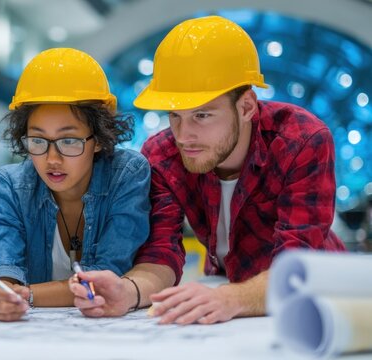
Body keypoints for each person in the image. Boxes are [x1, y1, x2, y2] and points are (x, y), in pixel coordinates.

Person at [69, 15, 345, 324]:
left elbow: (299, 264)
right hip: (228, 291)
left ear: (246, 107)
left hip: (324, 299)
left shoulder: (302, 140)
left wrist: (230, 298)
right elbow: (161, 251)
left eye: (201, 115)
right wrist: (129, 291)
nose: (183, 135)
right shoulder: (162, 155)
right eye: (174, 115)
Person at [0, 48, 151, 321]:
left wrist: (18, 295)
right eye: (37, 140)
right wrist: (1, 293)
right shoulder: (11, 184)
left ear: (99, 139)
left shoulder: (127, 174)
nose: (52, 159)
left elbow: (106, 281)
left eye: (69, 140)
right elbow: (5, 273)